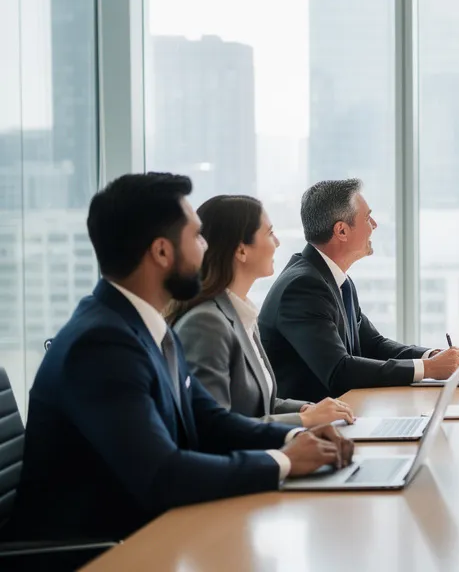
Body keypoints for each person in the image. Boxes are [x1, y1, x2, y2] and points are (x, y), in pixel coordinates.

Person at [10, 173, 352, 541]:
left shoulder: (146, 328)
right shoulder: (101, 343)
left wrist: (297, 437)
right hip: (100, 551)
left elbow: (211, 421)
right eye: (197, 236)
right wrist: (284, 462)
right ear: (161, 251)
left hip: (145, 533)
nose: (206, 249)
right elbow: (163, 474)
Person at [259, 179, 459, 400]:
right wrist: (428, 369)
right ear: (341, 230)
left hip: (342, 410)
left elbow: (373, 344)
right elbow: (339, 370)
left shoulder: (335, 280)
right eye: (367, 217)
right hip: (310, 425)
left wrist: (432, 356)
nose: (374, 224)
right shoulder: (303, 287)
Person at [170, 195, 354, 427]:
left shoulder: (241, 313)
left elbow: (256, 403)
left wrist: (306, 408)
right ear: (241, 251)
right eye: (269, 233)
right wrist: (303, 420)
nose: (277, 242)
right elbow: (213, 425)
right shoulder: (207, 323)